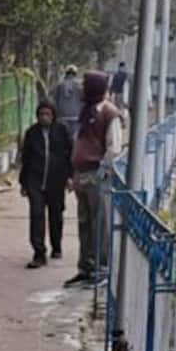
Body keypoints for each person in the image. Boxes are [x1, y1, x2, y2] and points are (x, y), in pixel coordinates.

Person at [64, 70, 125, 287]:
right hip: (81, 176)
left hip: (96, 176)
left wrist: (102, 170)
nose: (81, 87)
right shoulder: (86, 110)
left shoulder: (109, 113)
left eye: (85, 83)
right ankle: (86, 267)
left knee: (99, 223)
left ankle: (102, 268)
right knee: (84, 224)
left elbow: (114, 147)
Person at [18, 102, 72, 269]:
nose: (44, 117)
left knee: (56, 215)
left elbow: (70, 153)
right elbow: (25, 158)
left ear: (53, 115)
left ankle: (56, 246)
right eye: (41, 114)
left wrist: (70, 176)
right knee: (37, 214)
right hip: (35, 180)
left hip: (56, 181)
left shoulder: (61, 131)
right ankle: (39, 253)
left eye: (48, 114)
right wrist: (24, 183)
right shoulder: (32, 133)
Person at [53, 65, 84, 143]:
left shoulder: (59, 85)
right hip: (76, 115)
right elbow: (83, 99)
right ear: (75, 74)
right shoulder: (80, 85)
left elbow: (55, 99)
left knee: (62, 136)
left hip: (62, 115)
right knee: (74, 138)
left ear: (66, 73)